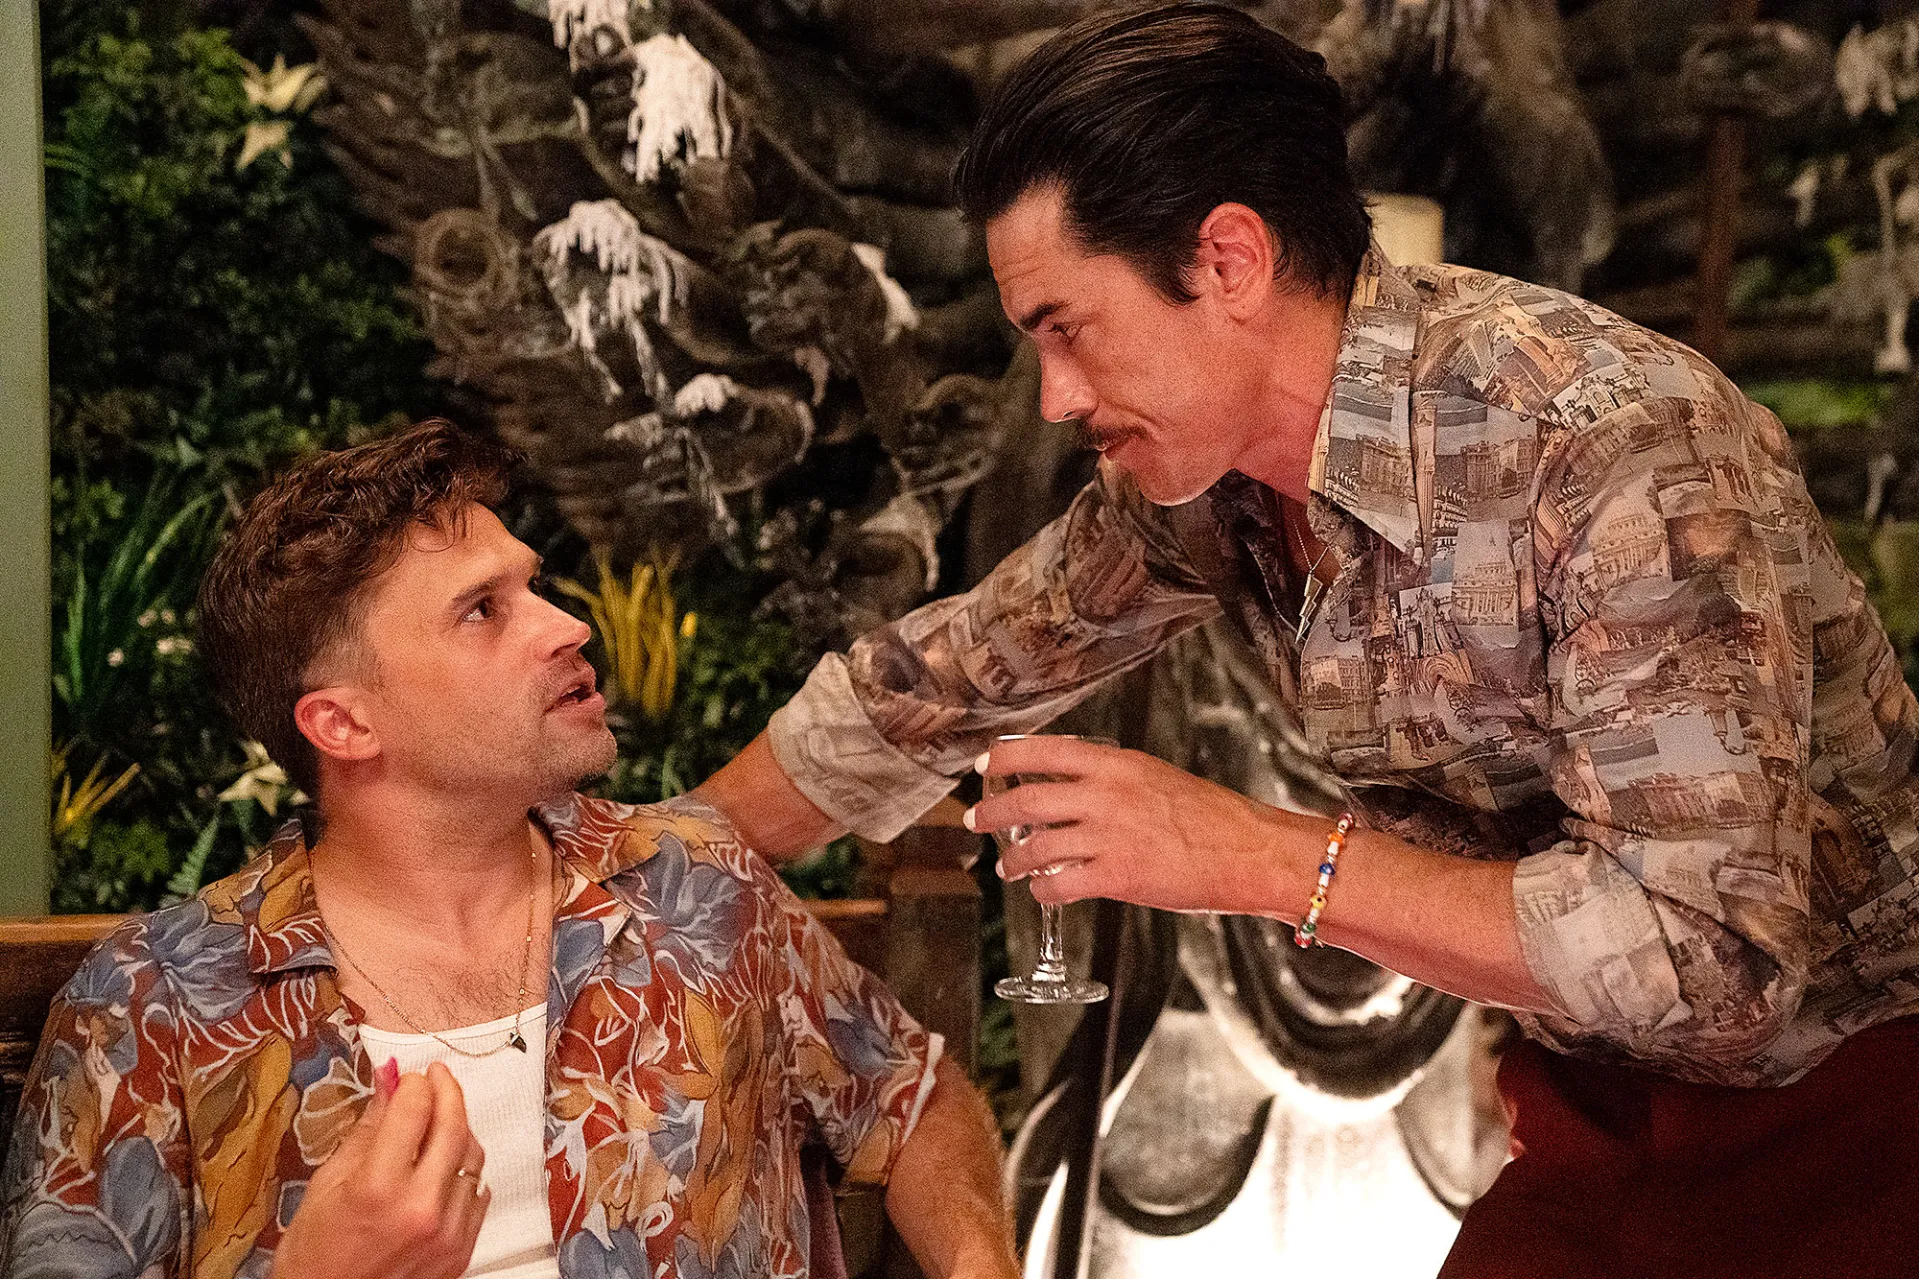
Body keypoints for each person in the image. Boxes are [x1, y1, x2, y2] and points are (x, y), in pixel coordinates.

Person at [692, 5, 1919, 1276]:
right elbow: (937, 685)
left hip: (1859, 1117)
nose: (1053, 397)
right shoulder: (1208, 482)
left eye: (1067, 327)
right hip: (1594, 1111)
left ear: (1228, 260)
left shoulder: (1604, 439)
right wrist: (646, 863)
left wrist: (1244, 855)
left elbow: (1706, 956)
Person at [0, 422, 1019, 1279]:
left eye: (532, 586)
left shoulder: (696, 886)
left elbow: (910, 1097)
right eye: (482, 611)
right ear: (343, 724)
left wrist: (980, 1263)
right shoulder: (150, 1007)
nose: (567, 625)